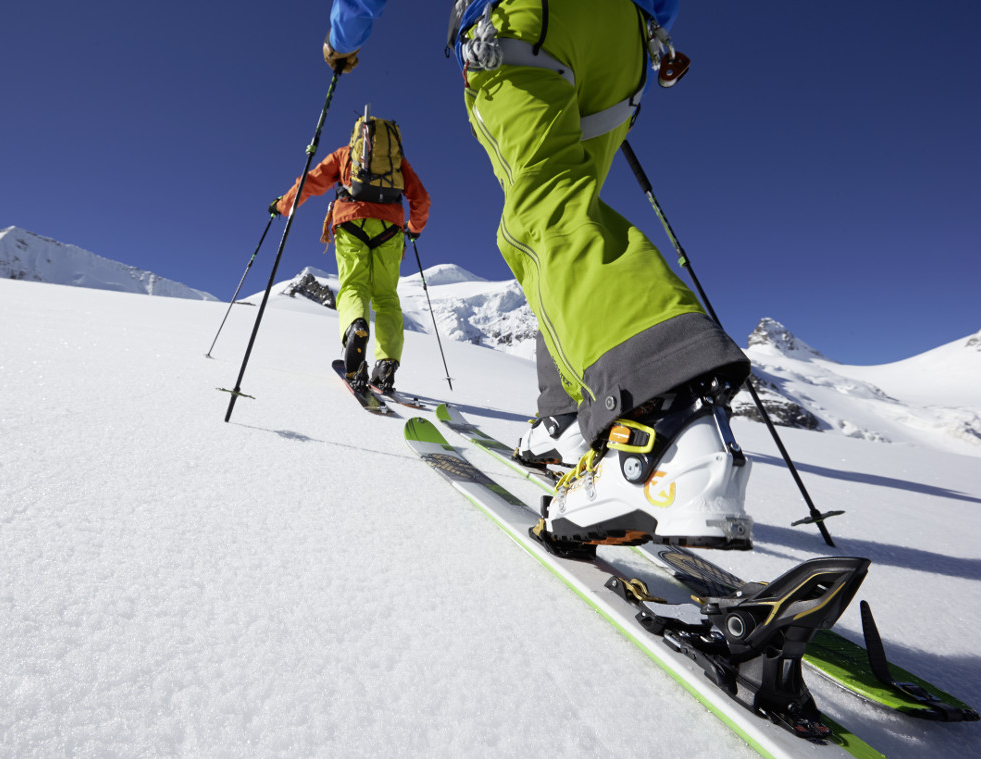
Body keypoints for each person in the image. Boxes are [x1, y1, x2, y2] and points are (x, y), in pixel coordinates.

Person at [322, 0, 754, 554]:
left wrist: (344, 40)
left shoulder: (348, 151)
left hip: (528, 23)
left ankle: (656, 432)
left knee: (542, 210)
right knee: (564, 219)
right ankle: (569, 418)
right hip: (626, 45)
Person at [270, 117, 430, 392]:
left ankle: (356, 326)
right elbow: (421, 199)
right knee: (386, 298)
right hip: (390, 229)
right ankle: (387, 363)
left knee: (354, 286)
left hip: (350, 222)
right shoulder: (398, 164)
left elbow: (311, 182)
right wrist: (413, 230)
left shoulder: (344, 155)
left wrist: (282, 206)